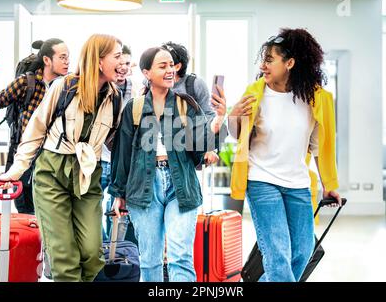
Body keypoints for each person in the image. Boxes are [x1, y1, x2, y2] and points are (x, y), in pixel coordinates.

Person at [0, 34, 124, 282]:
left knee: (91, 252)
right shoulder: (64, 87)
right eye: (117, 56)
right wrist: (15, 171)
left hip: (88, 174)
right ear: (98, 61)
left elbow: (114, 141)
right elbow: (35, 131)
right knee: (64, 255)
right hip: (52, 173)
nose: (122, 62)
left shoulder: (115, 97)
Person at [228, 28, 341, 282]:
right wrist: (233, 114)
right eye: (263, 60)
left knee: (301, 253)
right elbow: (238, 134)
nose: (263, 65)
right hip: (261, 181)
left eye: (270, 60)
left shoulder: (316, 99)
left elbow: (320, 147)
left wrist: (329, 185)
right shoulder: (255, 92)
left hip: (298, 184)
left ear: (289, 63)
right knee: (278, 257)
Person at [108, 46, 227, 282]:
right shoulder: (135, 107)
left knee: (180, 256)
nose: (170, 70)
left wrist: (218, 121)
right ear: (146, 73)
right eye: (162, 66)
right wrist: (118, 193)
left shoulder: (186, 104)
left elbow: (198, 150)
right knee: (150, 260)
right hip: (143, 187)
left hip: (181, 184)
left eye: (171, 65)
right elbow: (122, 154)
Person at [0, 38, 69, 215]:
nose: (67, 62)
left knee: (51, 212)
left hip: (53, 159)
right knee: (27, 213)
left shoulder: (66, 86)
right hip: (25, 156)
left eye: (68, 57)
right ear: (47, 60)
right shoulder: (26, 82)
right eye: (62, 57)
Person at [100, 44, 140, 241]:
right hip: (100, 158)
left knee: (119, 207)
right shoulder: (103, 89)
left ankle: (116, 250)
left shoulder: (138, 93)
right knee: (91, 207)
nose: (123, 67)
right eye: (119, 62)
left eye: (127, 63)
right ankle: (102, 247)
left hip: (122, 161)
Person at [161, 41, 219, 166]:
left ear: (177, 66)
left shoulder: (195, 84)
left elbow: (208, 115)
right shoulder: (151, 84)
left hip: (189, 153)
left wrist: (209, 148)